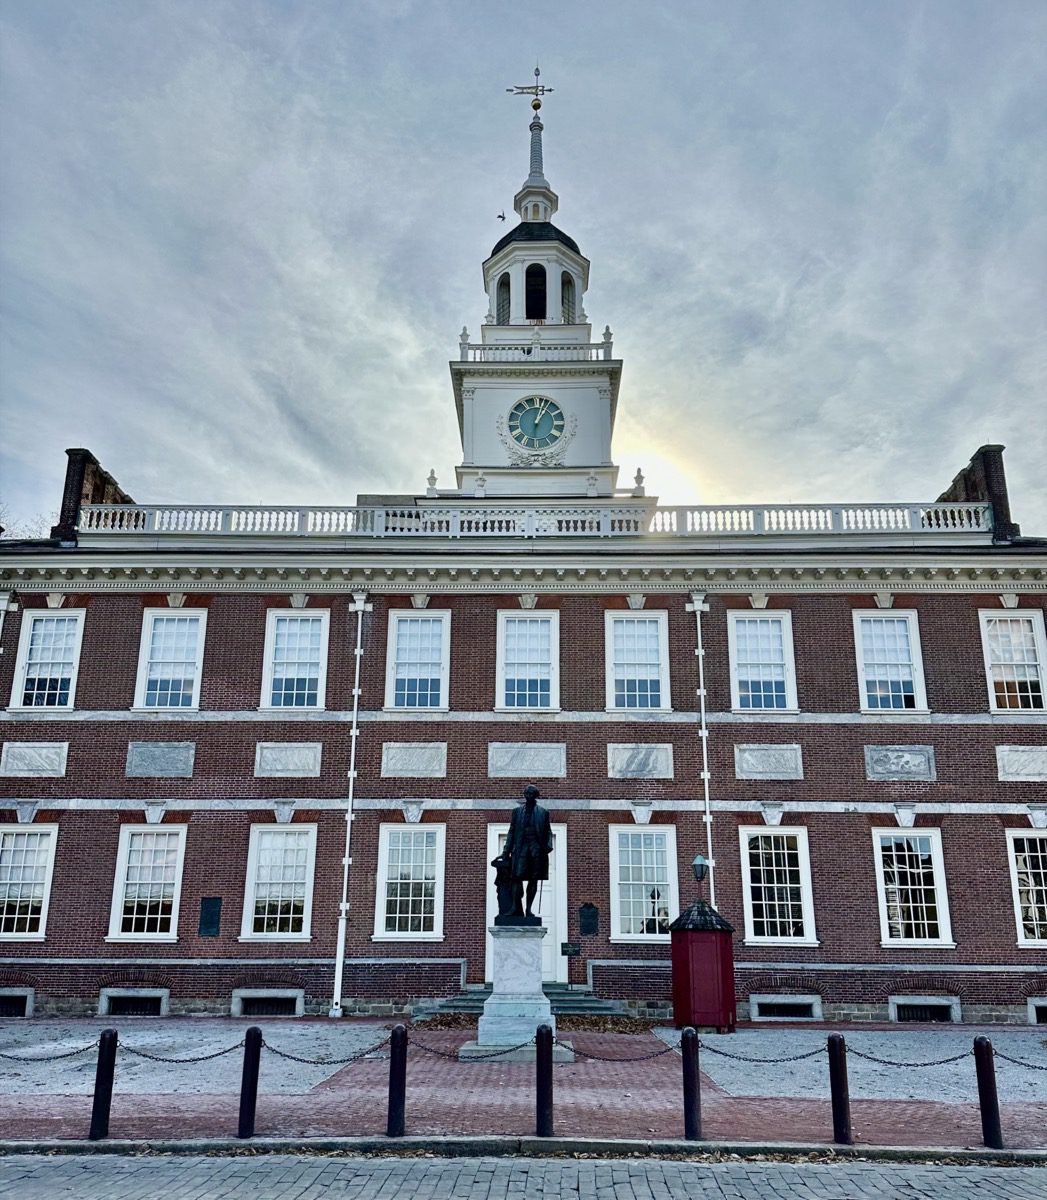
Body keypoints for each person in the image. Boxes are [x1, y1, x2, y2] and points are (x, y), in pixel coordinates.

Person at [502, 783, 552, 917]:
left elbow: (548, 832)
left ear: (536, 796)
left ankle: (529, 909)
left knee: (533, 879)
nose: (528, 796)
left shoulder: (543, 812)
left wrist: (547, 847)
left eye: (531, 794)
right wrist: (506, 851)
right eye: (526, 794)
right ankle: (514, 907)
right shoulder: (517, 812)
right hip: (521, 848)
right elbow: (511, 831)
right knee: (516, 877)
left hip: (536, 849)